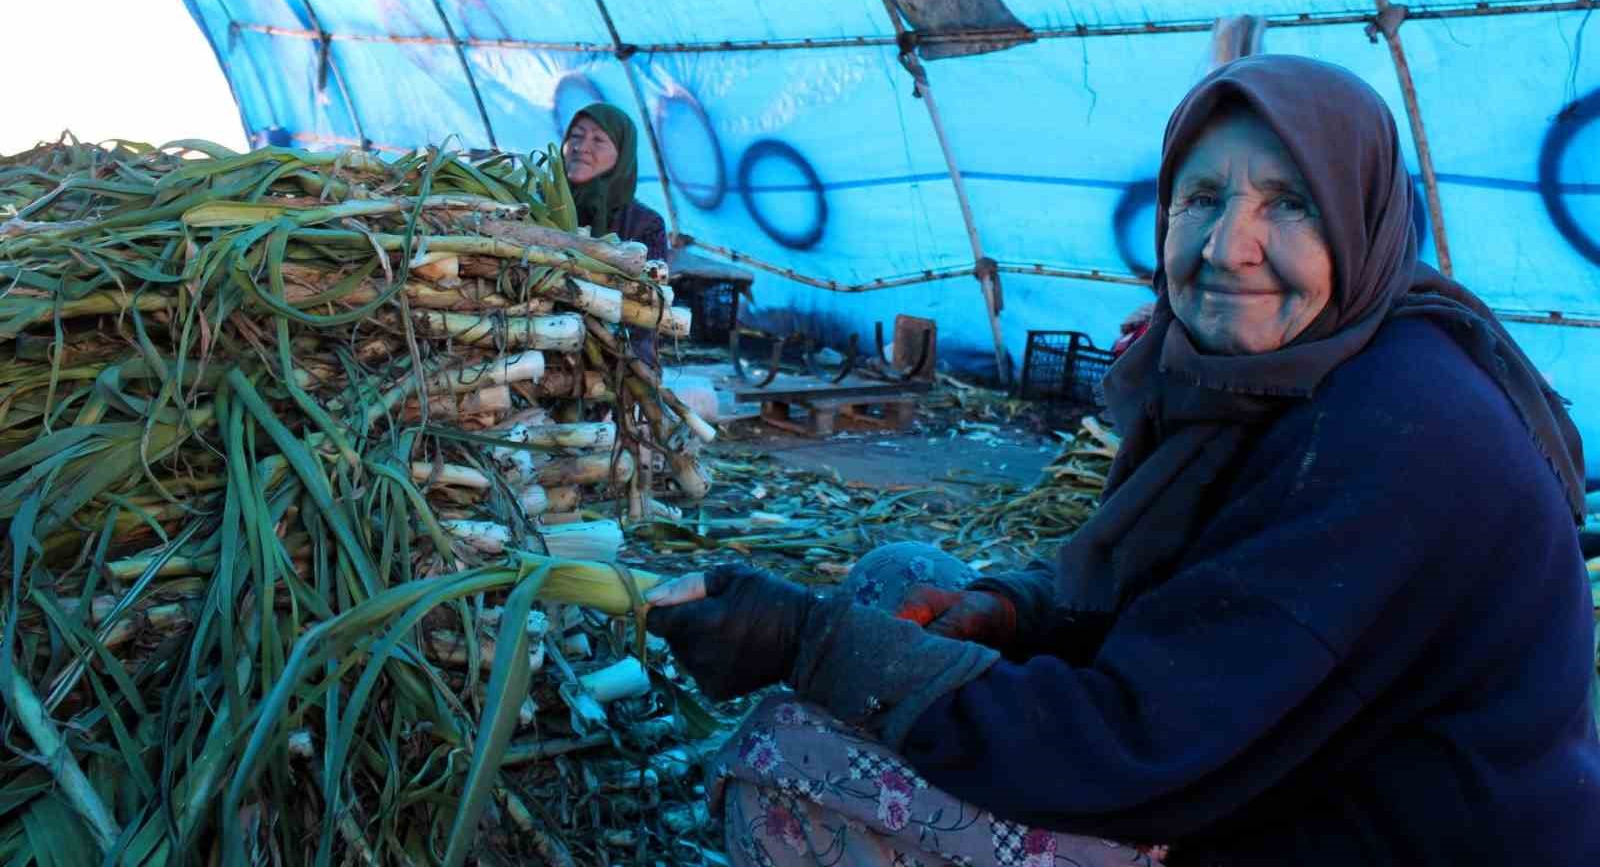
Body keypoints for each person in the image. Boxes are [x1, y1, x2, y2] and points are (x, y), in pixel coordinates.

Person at [644, 55, 1600, 865]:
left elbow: (1140, 743)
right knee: (905, 577)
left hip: (1355, 829)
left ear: (1362, 218)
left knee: (784, 762)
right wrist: (1018, 613)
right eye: (1203, 198)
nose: (1232, 247)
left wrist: (806, 645)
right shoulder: (1304, 371)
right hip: (1271, 754)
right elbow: (1198, 606)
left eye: (1291, 204)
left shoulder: (1400, 434)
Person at [561, 103, 668, 364]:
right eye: (575, 135)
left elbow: (644, 313)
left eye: (598, 139)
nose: (581, 146)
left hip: (617, 360)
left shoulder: (645, 224)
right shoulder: (535, 207)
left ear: (622, 155)